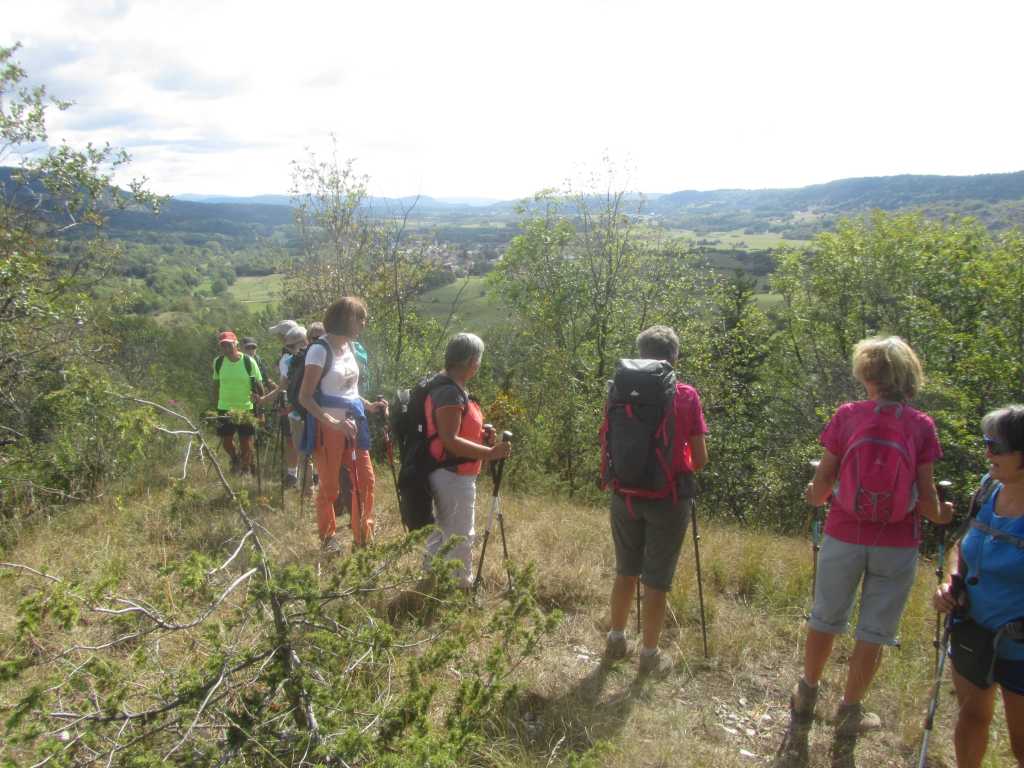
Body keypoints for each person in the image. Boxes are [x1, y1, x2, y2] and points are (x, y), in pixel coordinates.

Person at [780, 336, 953, 764]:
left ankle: (807, 692)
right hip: (897, 542)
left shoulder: (848, 416)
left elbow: (822, 485)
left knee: (826, 616)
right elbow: (927, 500)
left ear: (867, 374)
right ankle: (850, 710)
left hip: (844, 532)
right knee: (874, 630)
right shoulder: (921, 426)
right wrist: (943, 515)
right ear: (908, 376)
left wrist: (815, 496)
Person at [602, 325, 708, 676]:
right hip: (668, 498)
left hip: (624, 494)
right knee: (656, 580)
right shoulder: (686, 395)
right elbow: (700, 457)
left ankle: (616, 640)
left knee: (625, 571)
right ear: (674, 357)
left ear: (640, 354)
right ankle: (649, 655)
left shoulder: (617, 390)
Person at [933, 405, 1024, 768]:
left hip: (1019, 646)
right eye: (987, 443)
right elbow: (963, 544)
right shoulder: (989, 488)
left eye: (996, 446)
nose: (988, 454)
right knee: (971, 717)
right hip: (973, 629)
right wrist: (951, 581)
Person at [421, 332, 510, 587]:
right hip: (452, 475)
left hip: (449, 471)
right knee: (460, 535)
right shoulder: (449, 392)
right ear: (471, 361)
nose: (478, 365)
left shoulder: (451, 387)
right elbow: (449, 440)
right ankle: (459, 587)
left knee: (442, 530)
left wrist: (480, 435)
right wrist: (490, 453)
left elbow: (453, 431)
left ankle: (431, 580)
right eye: (478, 360)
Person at [298, 298, 385, 552]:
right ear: (345, 319)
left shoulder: (351, 348)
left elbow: (350, 391)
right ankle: (328, 538)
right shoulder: (319, 351)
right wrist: (334, 423)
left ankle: (363, 538)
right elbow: (305, 397)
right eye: (360, 318)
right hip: (328, 429)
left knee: (365, 480)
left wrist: (370, 406)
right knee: (330, 487)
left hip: (354, 424)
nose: (363, 323)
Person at [212, 330, 264, 474]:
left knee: (246, 442)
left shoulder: (248, 361)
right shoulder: (218, 362)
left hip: (246, 407)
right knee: (226, 442)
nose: (226, 348)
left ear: (236, 344)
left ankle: (245, 469)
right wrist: (216, 406)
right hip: (224, 408)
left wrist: (261, 410)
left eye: (229, 344)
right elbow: (215, 384)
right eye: (223, 345)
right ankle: (235, 459)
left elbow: (259, 386)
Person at [277, 325, 307, 488]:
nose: (287, 348)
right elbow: (283, 386)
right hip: (299, 412)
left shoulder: (289, 360)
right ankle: (308, 484)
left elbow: (283, 386)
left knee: (304, 450)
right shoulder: (290, 360)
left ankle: (308, 486)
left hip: (301, 412)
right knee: (304, 451)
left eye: (289, 345)